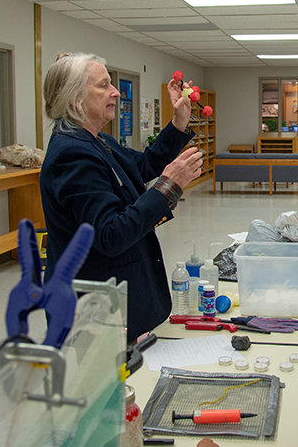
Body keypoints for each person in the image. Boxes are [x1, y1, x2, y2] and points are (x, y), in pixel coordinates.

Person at [40, 52, 204, 343]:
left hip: (112, 303)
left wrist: (179, 123)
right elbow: (111, 234)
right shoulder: (73, 154)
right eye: (103, 85)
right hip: (95, 310)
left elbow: (141, 166)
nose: (115, 92)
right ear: (74, 98)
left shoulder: (95, 139)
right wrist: (169, 187)